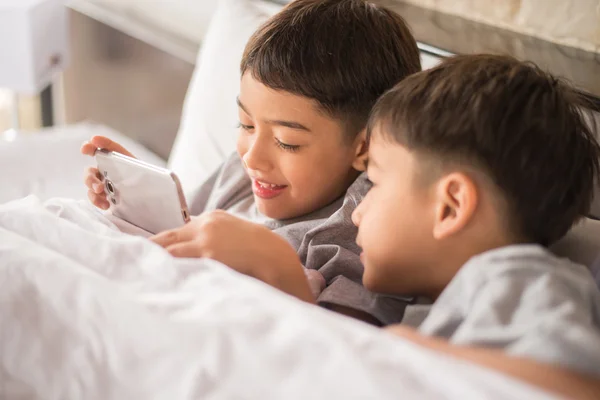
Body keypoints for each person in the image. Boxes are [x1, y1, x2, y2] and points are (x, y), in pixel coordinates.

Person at [154, 55, 600, 398]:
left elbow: (581, 389)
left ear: (450, 206)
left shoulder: (517, 278)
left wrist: (403, 347)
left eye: (377, 183)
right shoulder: (439, 300)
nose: (359, 211)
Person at [81, 0, 422, 325]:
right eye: (245, 125)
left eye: (287, 142)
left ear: (364, 148)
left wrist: (273, 262)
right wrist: (143, 204)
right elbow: (185, 232)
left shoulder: (364, 230)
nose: (252, 157)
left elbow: (348, 352)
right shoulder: (241, 173)